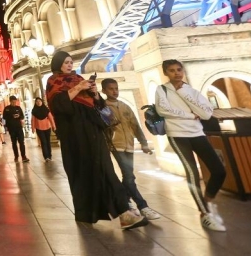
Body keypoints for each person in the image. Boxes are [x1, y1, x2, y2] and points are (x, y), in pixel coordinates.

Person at [46, 51, 146, 229]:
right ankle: (88, 212)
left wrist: (94, 93)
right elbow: (59, 105)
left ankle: (124, 211)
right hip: (74, 136)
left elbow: (99, 106)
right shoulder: (54, 81)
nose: (69, 65)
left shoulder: (78, 78)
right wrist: (78, 88)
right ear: (58, 64)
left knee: (105, 168)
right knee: (83, 171)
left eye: (71, 62)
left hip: (93, 131)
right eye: (66, 62)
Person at [154, 59, 226, 231]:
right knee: (192, 172)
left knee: (219, 170)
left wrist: (184, 95)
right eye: (171, 70)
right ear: (166, 73)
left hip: (197, 134)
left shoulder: (191, 91)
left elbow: (206, 114)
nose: (176, 73)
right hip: (177, 135)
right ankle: (204, 213)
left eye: (179, 69)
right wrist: (189, 115)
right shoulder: (162, 89)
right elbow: (163, 110)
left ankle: (207, 202)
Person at [101, 79, 161, 221]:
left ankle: (126, 203)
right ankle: (143, 206)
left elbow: (134, 125)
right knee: (129, 176)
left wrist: (143, 143)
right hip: (116, 145)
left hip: (129, 145)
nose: (114, 91)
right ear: (103, 91)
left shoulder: (125, 106)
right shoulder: (103, 107)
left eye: (116, 88)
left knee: (128, 176)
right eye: (110, 89)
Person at [3, 96, 28, 162]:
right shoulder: (6, 109)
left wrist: (19, 116)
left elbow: (22, 116)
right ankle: (16, 156)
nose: (14, 103)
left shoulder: (18, 108)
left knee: (21, 142)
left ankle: (23, 156)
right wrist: (11, 117)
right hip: (11, 128)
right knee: (14, 142)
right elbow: (4, 118)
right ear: (10, 101)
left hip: (19, 127)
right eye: (13, 102)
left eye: (15, 101)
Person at [30, 97, 56, 162]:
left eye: (39, 101)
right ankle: (46, 157)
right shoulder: (34, 111)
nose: (38, 102)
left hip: (47, 127)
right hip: (39, 128)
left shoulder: (46, 109)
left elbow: (51, 118)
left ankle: (49, 155)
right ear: (35, 103)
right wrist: (33, 128)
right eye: (37, 101)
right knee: (43, 142)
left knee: (48, 142)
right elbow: (32, 120)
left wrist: (53, 126)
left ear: (42, 102)